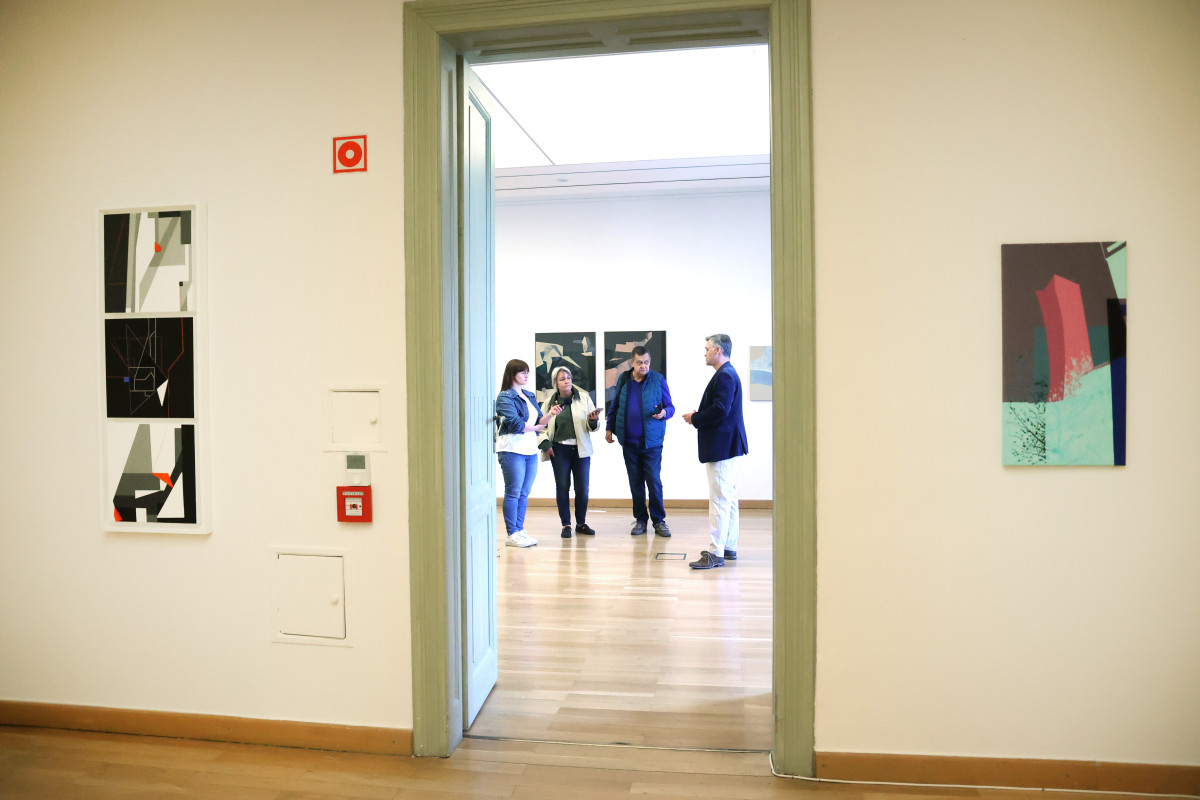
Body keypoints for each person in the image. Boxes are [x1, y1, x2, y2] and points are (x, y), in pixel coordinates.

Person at [682, 334, 749, 569]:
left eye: (707, 348)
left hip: (723, 446)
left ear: (718, 350)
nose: (705, 352)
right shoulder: (727, 373)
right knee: (728, 497)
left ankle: (715, 552)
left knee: (720, 498)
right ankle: (728, 546)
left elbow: (720, 410)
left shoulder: (725, 375)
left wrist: (695, 418)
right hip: (728, 444)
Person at [605, 346, 674, 537]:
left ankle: (659, 521)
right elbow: (615, 405)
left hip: (651, 443)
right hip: (629, 442)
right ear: (632, 363)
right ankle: (640, 520)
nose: (643, 366)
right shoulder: (624, 379)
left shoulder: (657, 379)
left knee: (653, 481)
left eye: (646, 362)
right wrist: (609, 428)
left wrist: (664, 413)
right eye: (639, 362)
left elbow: (670, 407)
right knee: (635, 483)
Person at [495, 358, 560, 547]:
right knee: (513, 491)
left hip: (529, 449)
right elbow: (516, 424)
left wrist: (551, 414)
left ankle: (519, 529)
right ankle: (512, 533)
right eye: (522, 372)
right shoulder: (505, 397)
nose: (527, 375)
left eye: (528, 372)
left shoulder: (529, 395)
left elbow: (539, 421)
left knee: (524, 492)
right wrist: (535, 427)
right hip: (512, 449)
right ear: (512, 374)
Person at [538, 366, 602, 538]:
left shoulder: (584, 398)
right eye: (562, 379)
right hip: (559, 450)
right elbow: (541, 426)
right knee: (562, 487)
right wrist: (545, 444)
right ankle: (566, 525)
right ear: (556, 383)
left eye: (568, 377)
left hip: (581, 450)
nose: (567, 381)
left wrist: (593, 421)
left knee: (582, 489)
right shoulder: (548, 403)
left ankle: (581, 524)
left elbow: (593, 427)